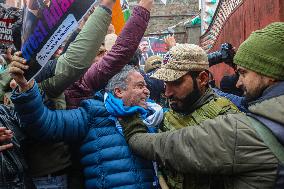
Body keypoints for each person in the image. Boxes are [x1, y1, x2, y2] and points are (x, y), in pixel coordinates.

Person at [117, 22, 284, 188]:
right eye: (165, 83)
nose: (167, 93)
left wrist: (133, 130)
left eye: (176, 82)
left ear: (203, 79)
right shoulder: (166, 114)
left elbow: (171, 146)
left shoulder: (229, 119)